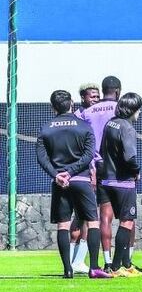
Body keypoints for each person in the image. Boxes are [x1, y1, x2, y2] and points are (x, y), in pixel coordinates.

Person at [37, 90, 110, 279]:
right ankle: (94, 268)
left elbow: (41, 158)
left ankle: (67, 270)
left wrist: (57, 175)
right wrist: (72, 172)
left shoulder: (45, 128)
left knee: (63, 225)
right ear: (72, 104)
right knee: (92, 222)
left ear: (52, 107)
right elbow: (88, 155)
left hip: (60, 183)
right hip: (82, 181)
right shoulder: (84, 126)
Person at [99, 92, 142, 276]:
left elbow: (102, 150)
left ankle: (122, 263)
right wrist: (136, 171)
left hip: (106, 180)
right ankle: (117, 267)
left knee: (106, 220)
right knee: (126, 222)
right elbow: (129, 157)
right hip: (123, 182)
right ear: (133, 109)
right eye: (139, 109)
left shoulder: (110, 123)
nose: (140, 113)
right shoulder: (127, 127)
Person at [80, 75, 122, 268]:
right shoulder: (121, 108)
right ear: (118, 91)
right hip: (120, 166)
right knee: (128, 217)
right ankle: (124, 262)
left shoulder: (87, 112)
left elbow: (81, 138)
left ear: (102, 91)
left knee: (103, 216)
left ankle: (106, 262)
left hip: (97, 166)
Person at [69, 82, 101, 273]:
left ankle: (77, 262)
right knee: (81, 217)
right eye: (92, 96)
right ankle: (73, 261)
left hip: (96, 169)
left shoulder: (99, 114)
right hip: (83, 173)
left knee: (85, 216)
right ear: (83, 98)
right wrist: (91, 171)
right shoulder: (79, 118)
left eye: (97, 96)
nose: (95, 100)